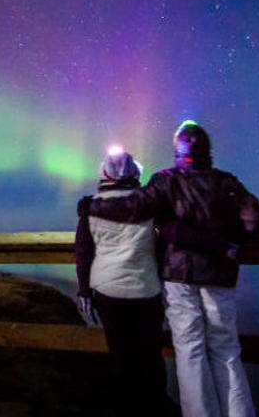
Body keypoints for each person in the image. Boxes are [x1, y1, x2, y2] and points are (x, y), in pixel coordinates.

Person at [79, 121, 259, 417]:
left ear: (177, 151)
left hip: (179, 276)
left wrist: (92, 207)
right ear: (208, 150)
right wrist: (231, 244)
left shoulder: (166, 181)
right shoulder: (227, 182)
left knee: (190, 351)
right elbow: (254, 219)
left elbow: (134, 208)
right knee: (226, 350)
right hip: (219, 276)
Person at [74, 146, 168, 416]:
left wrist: (83, 291)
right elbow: (161, 247)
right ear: (134, 172)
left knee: (121, 357)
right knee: (151, 357)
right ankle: (156, 407)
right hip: (146, 288)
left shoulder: (90, 207)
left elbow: (83, 252)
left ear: (103, 173)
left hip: (108, 290)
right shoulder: (150, 204)